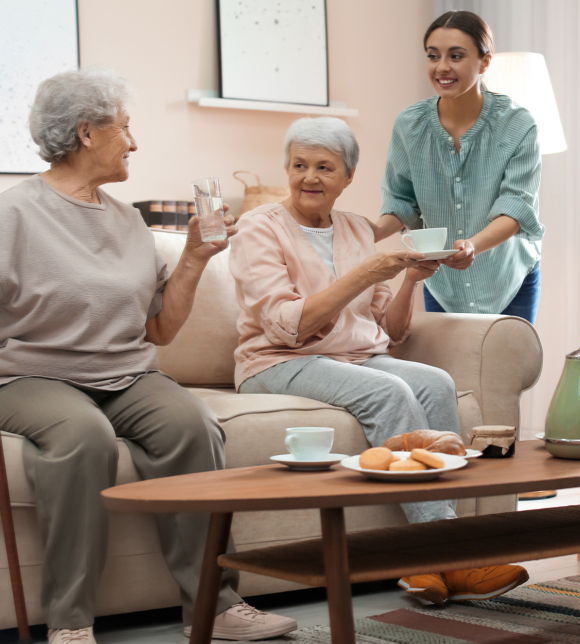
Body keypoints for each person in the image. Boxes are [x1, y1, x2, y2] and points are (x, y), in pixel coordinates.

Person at [0, 68, 297, 644]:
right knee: (83, 437)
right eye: (126, 128)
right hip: (35, 376)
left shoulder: (125, 219)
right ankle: (70, 622)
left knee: (194, 425)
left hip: (127, 372)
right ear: (87, 133)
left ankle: (213, 606)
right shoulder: (14, 214)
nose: (134, 142)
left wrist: (194, 257)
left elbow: (160, 329)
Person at [229, 116, 530, 606]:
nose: (310, 177)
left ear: (348, 177)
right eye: (299, 165)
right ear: (286, 169)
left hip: (354, 356)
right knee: (388, 391)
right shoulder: (258, 228)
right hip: (277, 361)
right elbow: (287, 327)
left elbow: (386, 332)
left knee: (434, 383)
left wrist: (412, 278)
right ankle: (445, 554)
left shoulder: (354, 229)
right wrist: (366, 271)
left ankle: (433, 564)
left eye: (325, 167)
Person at [374, 10, 544, 323]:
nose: (442, 67)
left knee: (509, 372)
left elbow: (516, 209)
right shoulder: (408, 125)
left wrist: (472, 246)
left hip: (507, 277)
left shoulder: (518, 124)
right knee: (447, 372)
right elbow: (400, 202)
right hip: (443, 283)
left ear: (485, 62)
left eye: (456, 56)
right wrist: (366, 233)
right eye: (433, 55)